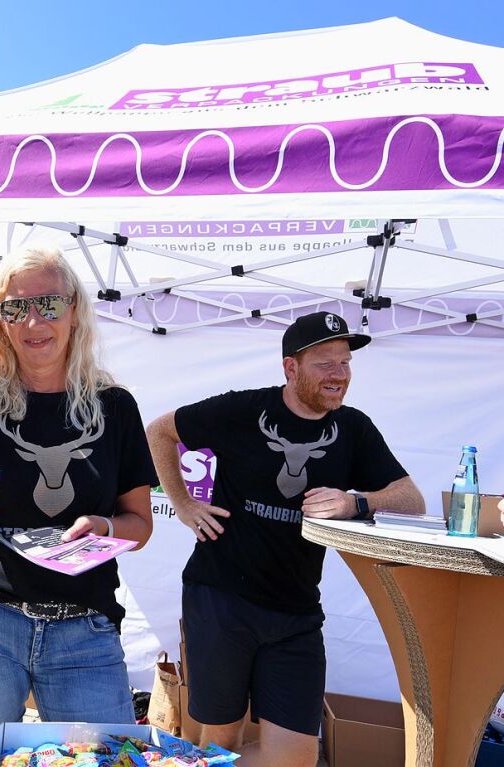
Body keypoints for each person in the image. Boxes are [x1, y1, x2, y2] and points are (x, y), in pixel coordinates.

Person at [146, 311, 425, 767]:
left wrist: (356, 502)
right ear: (290, 368)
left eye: (345, 363)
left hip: (296, 613)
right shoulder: (243, 409)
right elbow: (160, 431)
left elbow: (411, 499)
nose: (339, 374)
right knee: (220, 740)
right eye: (325, 363)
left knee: (296, 758)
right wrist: (184, 504)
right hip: (221, 598)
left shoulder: (353, 428)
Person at [0, 245, 157, 756]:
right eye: (14, 308)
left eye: (48, 304)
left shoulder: (114, 408)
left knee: (106, 759)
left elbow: (140, 523)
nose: (33, 320)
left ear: (74, 311)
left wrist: (107, 528)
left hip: (84, 628)